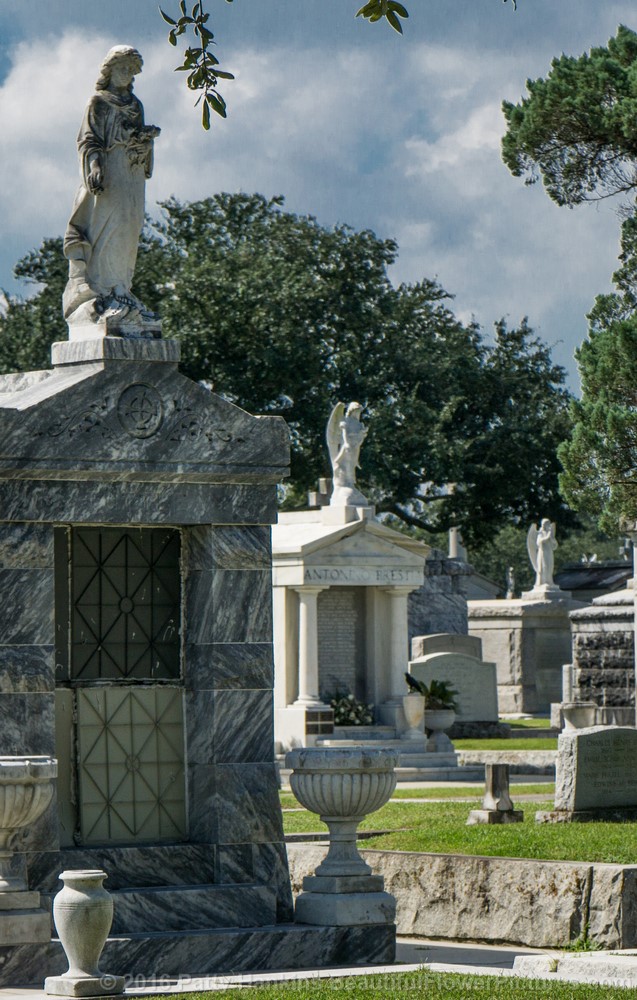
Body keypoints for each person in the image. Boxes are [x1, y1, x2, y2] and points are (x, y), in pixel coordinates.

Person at [63, 46, 161, 333]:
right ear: (109, 70)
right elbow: (88, 139)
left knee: (130, 226)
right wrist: (95, 166)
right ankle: (103, 293)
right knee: (108, 227)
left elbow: (138, 140)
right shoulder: (98, 102)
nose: (127, 74)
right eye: (122, 68)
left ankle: (122, 289)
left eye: (131, 70)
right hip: (108, 174)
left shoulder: (135, 104)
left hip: (131, 174)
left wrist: (145, 143)